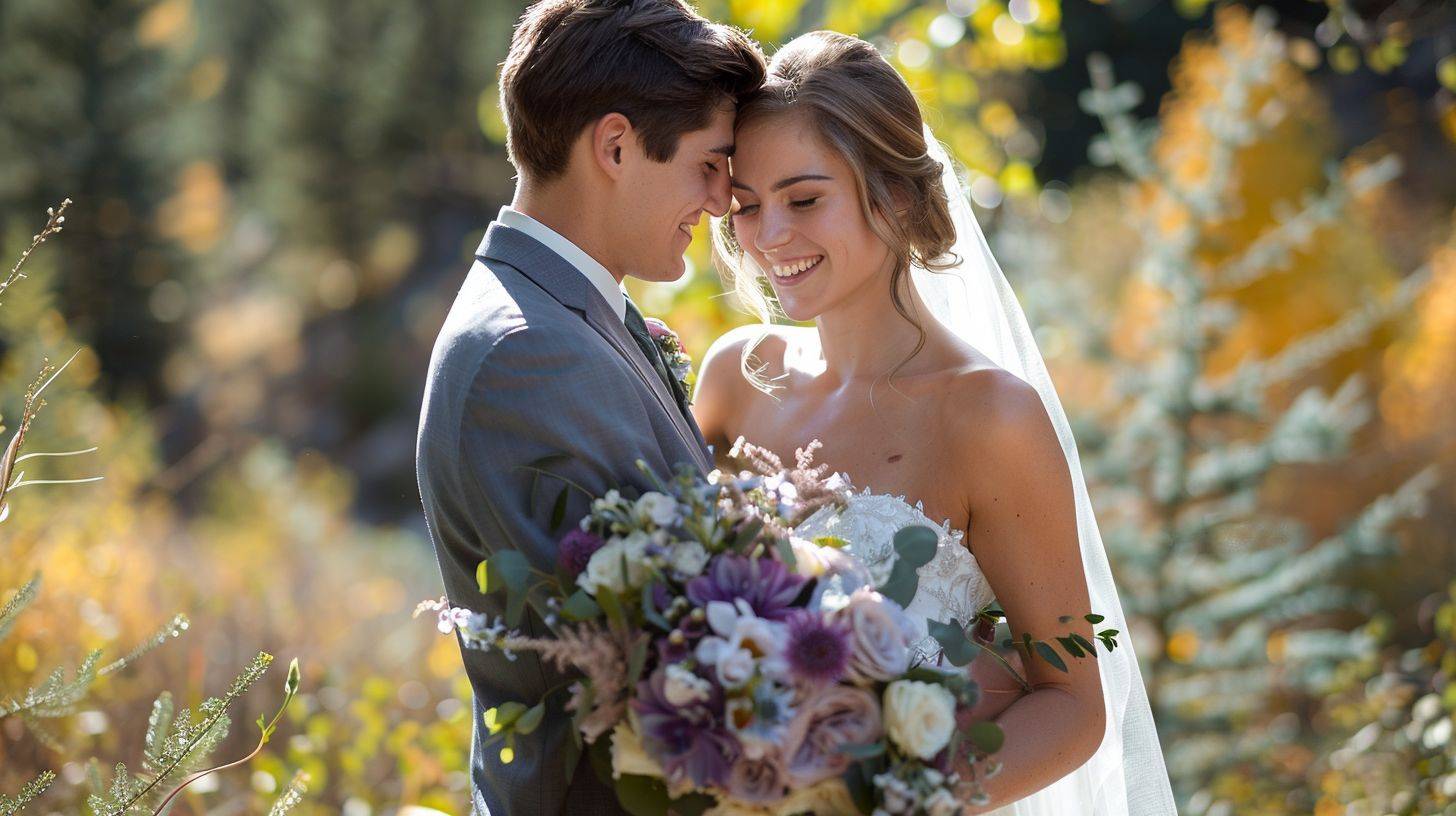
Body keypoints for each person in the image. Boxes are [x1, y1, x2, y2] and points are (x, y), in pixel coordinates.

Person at [694, 31, 1177, 814]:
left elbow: (1076, 705)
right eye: (746, 208)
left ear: (898, 196)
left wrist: (894, 800)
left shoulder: (990, 416)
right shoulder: (735, 378)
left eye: (804, 198)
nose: (768, 236)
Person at [414, 2, 764, 813]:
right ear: (614, 146)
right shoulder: (527, 353)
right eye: (708, 164)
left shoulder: (560, 316)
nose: (719, 203)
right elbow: (646, 661)